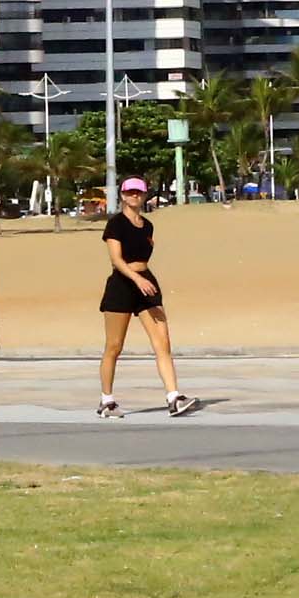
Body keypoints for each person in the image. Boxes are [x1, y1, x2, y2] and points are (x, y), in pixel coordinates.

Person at [96, 177, 196, 418]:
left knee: (162, 342)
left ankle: (174, 397)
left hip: (147, 283)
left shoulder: (148, 225)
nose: (135, 196)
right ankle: (107, 401)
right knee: (114, 346)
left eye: (139, 193)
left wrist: (144, 279)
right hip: (123, 284)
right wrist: (136, 279)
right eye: (130, 192)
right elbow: (116, 260)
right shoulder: (115, 224)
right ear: (122, 195)